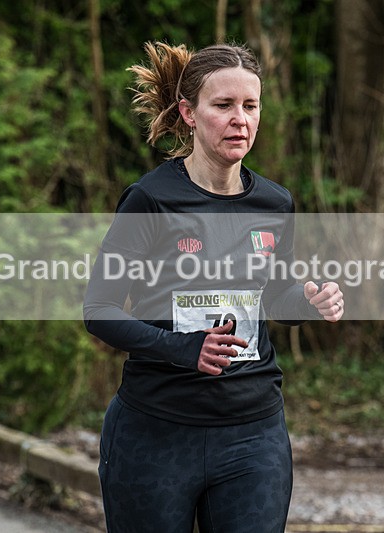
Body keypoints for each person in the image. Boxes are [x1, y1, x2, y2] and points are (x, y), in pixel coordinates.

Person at [83, 41, 344, 533]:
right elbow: (99, 309)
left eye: (250, 106)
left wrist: (309, 302)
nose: (239, 119)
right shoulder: (151, 199)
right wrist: (183, 349)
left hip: (253, 433)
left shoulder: (275, 203)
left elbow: (276, 296)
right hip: (157, 432)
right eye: (223, 105)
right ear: (189, 113)